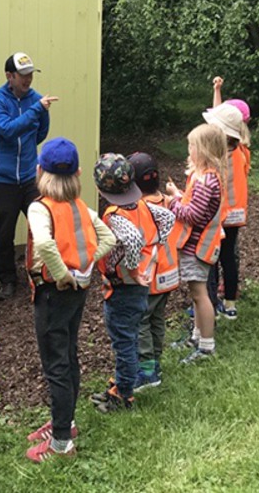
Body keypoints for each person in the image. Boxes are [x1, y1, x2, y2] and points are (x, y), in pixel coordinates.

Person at [24, 138, 116, 462]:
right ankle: (67, 422)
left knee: (56, 365)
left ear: (39, 171)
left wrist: (63, 274)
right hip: (77, 293)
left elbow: (46, 247)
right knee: (69, 355)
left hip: (53, 293)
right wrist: (85, 267)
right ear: (77, 173)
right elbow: (109, 238)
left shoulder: (40, 207)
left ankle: (61, 443)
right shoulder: (81, 206)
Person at [91, 153, 175, 410]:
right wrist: (154, 254)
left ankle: (123, 393)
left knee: (124, 340)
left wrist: (134, 268)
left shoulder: (116, 216)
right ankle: (123, 380)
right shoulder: (142, 206)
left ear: (100, 188)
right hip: (138, 287)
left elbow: (132, 241)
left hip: (124, 288)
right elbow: (169, 219)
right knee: (129, 335)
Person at [0, 52, 59, 300]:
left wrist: (39, 112)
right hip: (1, 179)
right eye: (23, 75)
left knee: (41, 228)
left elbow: (41, 133)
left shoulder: (37, 100)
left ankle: (42, 273)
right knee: (4, 234)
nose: (28, 79)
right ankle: (7, 280)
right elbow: (7, 131)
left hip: (30, 177)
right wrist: (35, 111)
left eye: (30, 74)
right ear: (10, 76)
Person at [165, 124, 227, 364]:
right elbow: (194, 205)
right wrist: (179, 195)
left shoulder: (205, 181)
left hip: (197, 248)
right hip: (197, 246)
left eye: (192, 146)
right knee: (196, 294)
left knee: (201, 295)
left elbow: (193, 215)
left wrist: (171, 203)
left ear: (204, 150)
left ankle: (206, 347)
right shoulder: (206, 177)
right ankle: (196, 336)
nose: (188, 149)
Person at [128, 152, 179, 388]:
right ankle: (155, 361)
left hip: (151, 275)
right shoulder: (168, 202)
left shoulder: (140, 209)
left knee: (142, 321)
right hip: (170, 272)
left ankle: (147, 370)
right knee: (158, 319)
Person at [203, 102, 251, 319]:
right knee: (228, 258)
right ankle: (230, 304)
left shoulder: (215, 157)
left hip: (216, 215)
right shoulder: (241, 152)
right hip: (236, 214)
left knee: (211, 258)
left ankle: (209, 303)